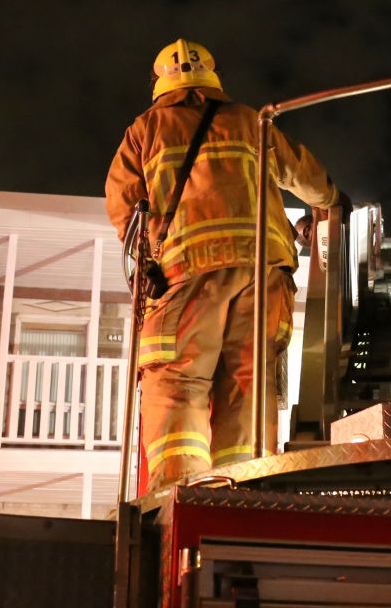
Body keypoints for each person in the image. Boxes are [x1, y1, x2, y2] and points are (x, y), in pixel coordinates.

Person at [105, 38, 344, 491]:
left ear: (158, 82)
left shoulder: (146, 128)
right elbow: (304, 175)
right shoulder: (252, 120)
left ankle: (182, 490)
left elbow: (124, 209)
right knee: (248, 384)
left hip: (188, 272)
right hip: (264, 273)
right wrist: (333, 201)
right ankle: (244, 488)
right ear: (213, 76)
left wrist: (148, 260)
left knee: (177, 381)